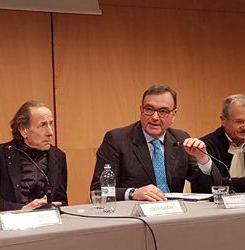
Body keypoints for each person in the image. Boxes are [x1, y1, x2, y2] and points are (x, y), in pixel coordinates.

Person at [90, 85, 221, 201]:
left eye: (163, 111)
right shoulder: (117, 140)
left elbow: (208, 189)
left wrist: (203, 160)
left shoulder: (180, 138)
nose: (154, 117)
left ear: (173, 115)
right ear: (141, 110)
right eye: (149, 109)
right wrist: (133, 193)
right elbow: (98, 190)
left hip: (175, 216)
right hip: (135, 218)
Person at [0, 101, 69, 212]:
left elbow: (62, 201)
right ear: (23, 130)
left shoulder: (58, 156)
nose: (50, 132)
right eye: (42, 125)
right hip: (10, 224)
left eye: (50, 124)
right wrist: (21, 209)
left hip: (48, 224)